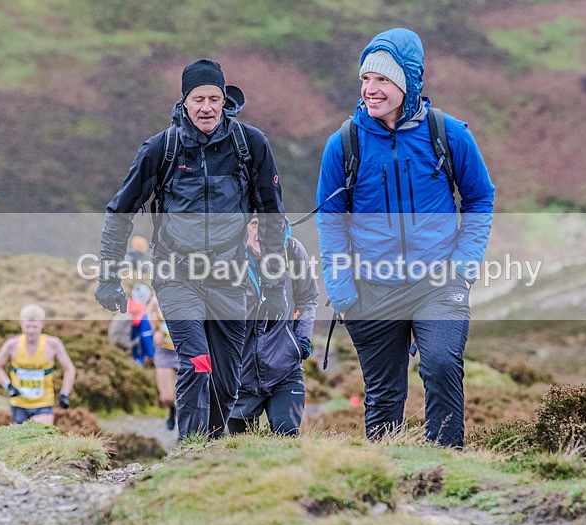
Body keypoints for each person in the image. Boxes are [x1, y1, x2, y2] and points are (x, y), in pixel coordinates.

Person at [315, 28, 495, 448]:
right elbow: (330, 221)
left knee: (441, 365)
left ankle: (445, 467)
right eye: (365, 79)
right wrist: (340, 286)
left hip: (439, 281)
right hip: (371, 289)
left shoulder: (448, 134)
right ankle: (390, 479)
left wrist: (465, 264)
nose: (370, 90)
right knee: (383, 396)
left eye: (382, 80)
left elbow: (480, 198)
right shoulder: (344, 144)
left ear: (408, 82)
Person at [95, 59, 288, 440]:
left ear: (224, 100)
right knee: (197, 361)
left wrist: (274, 284)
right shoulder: (161, 149)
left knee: (228, 379)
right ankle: (189, 450)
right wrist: (108, 277)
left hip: (229, 275)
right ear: (184, 102)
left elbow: (271, 215)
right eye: (198, 98)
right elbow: (120, 212)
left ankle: (210, 450)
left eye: (214, 98)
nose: (207, 107)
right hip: (176, 274)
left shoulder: (249, 146)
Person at [228, 218, 318, 436]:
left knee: (286, 435)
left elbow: (308, 299)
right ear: (243, 227)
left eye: (269, 224)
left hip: (284, 368)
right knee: (239, 450)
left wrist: (301, 341)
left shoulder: (293, 251)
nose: (262, 231)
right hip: (239, 375)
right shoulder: (228, 257)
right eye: (255, 224)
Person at [0, 304, 76, 425]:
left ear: (42, 323)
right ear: (20, 323)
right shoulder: (12, 344)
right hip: (19, 404)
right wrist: (8, 386)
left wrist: (64, 394)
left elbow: (70, 369)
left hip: (44, 403)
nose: (30, 331)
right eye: (27, 326)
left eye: (34, 327)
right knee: (20, 441)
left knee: (40, 438)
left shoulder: (53, 344)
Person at [148, 295, 179, 431]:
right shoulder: (156, 298)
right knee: (166, 396)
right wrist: (154, 331)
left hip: (183, 349)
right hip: (165, 351)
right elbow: (149, 312)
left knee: (188, 393)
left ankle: (184, 429)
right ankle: (172, 410)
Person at [128, 283, 155, 366]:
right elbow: (146, 337)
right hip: (140, 357)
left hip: (130, 351)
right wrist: (153, 355)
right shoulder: (144, 316)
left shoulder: (130, 308)